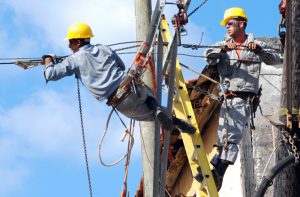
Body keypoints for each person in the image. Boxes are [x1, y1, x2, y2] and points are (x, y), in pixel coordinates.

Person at [43, 22, 196, 134]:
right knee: (149, 97)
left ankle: (175, 123)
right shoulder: (104, 48)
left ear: (78, 41)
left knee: (151, 118)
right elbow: (121, 66)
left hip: (119, 100)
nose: (69, 46)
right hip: (130, 85)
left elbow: (51, 74)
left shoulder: (73, 59)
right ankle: (157, 108)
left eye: (70, 42)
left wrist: (48, 60)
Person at [203, 7, 281, 190]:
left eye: (230, 23)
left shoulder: (256, 45)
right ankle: (213, 168)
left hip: (243, 98)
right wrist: (222, 49)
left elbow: (275, 59)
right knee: (223, 138)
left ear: (241, 23)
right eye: (226, 25)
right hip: (228, 98)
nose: (227, 27)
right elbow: (207, 55)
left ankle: (219, 171)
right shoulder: (223, 45)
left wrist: (260, 51)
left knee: (232, 136)